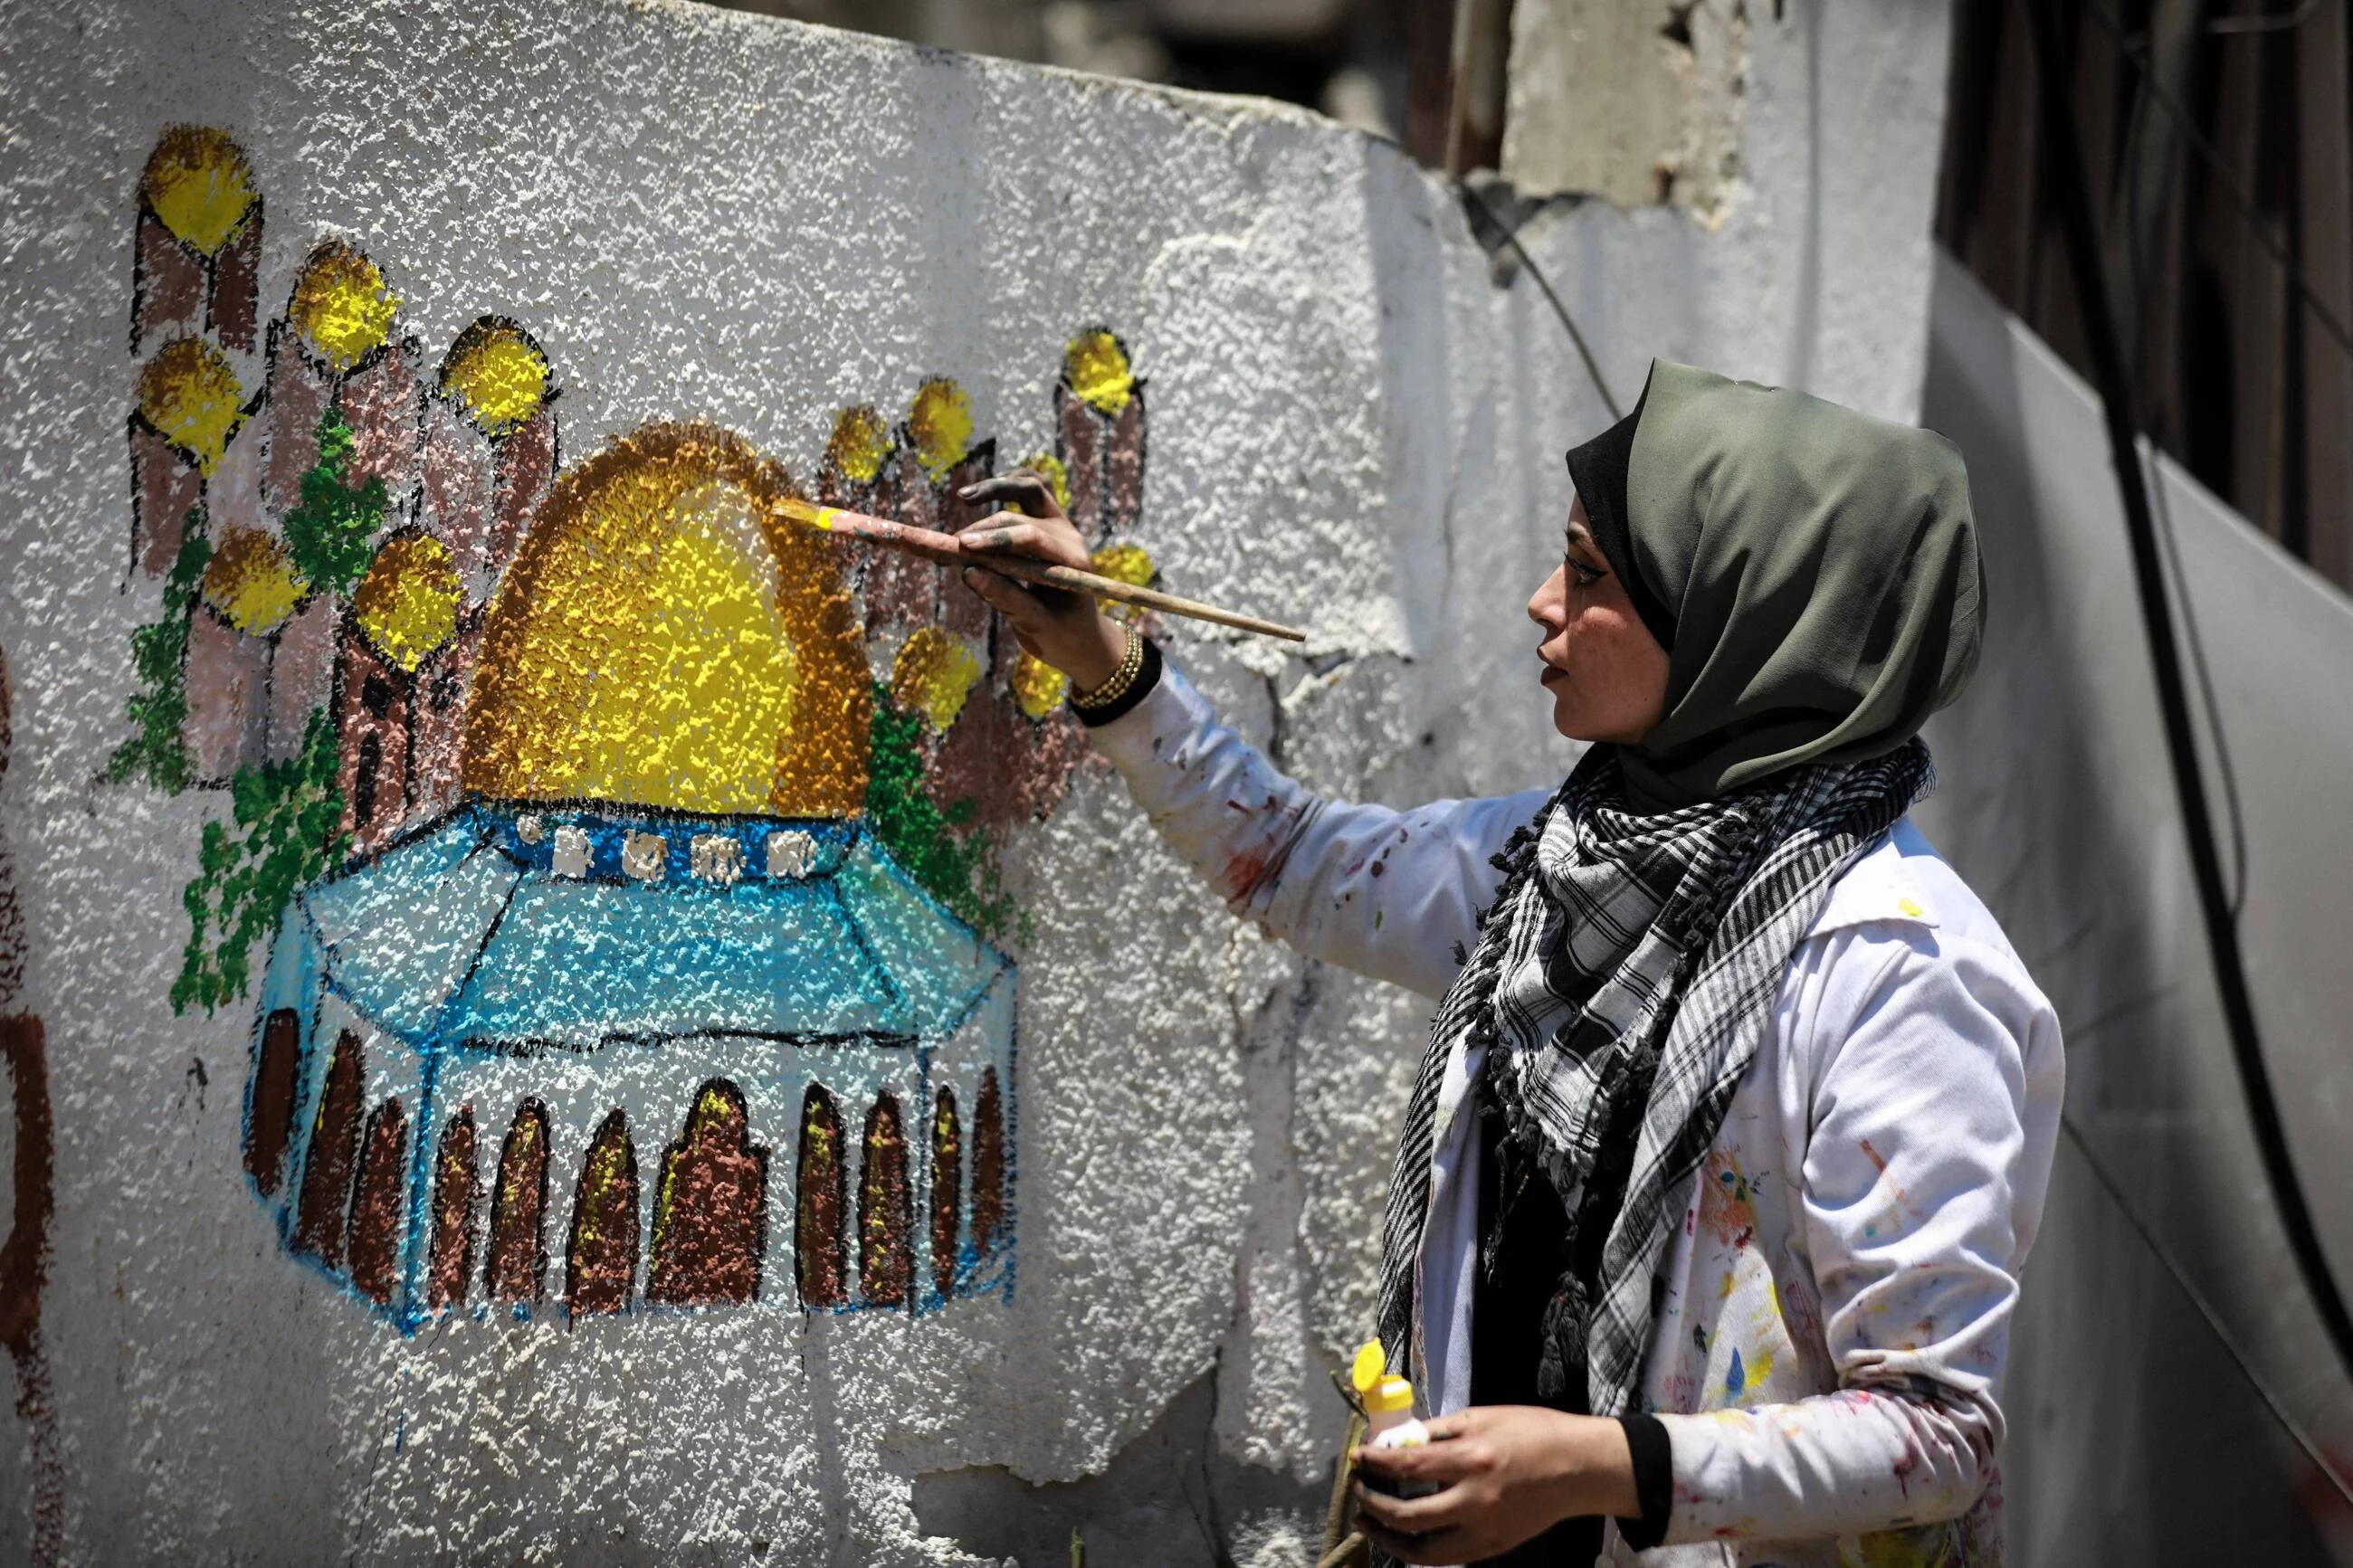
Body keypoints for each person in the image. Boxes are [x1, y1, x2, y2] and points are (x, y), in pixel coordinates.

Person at [951, 360, 2063, 1567]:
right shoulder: (1557, 867)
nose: (1541, 604)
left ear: (1740, 624)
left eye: (1589, 577)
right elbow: (1289, 861)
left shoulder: (1900, 972)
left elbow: (1936, 1435)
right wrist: (1102, 656)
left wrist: (1596, 1466)